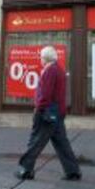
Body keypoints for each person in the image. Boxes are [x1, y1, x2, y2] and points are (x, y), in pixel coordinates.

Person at [14, 46, 82, 181]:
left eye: (41, 57)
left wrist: (39, 108)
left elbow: (46, 94)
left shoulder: (50, 71)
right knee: (62, 143)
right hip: (57, 112)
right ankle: (73, 171)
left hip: (47, 113)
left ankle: (26, 170)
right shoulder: (59, 69)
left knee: (36, 141)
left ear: (45, 58)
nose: (40, 60)